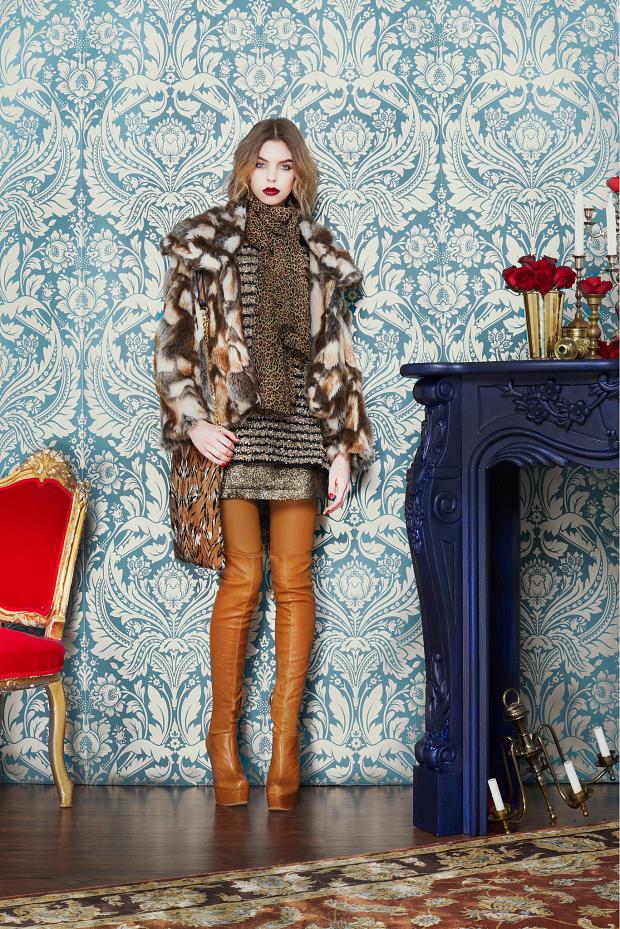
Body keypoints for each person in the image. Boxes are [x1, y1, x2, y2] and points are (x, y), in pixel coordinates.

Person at [154, 117, 374, 811]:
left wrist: (341, 447)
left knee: (295, 583)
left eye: (285, 165)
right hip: (234, 432)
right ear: (245, 170)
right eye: (262, 164)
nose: (273, 176)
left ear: (299, 174)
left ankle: (285, 751)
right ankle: (222, 741)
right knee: (243, 579)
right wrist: (194, 422)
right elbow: (175, 346)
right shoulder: (209, 244)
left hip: (300, 433)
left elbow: (336, 357)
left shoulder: (317, 252)